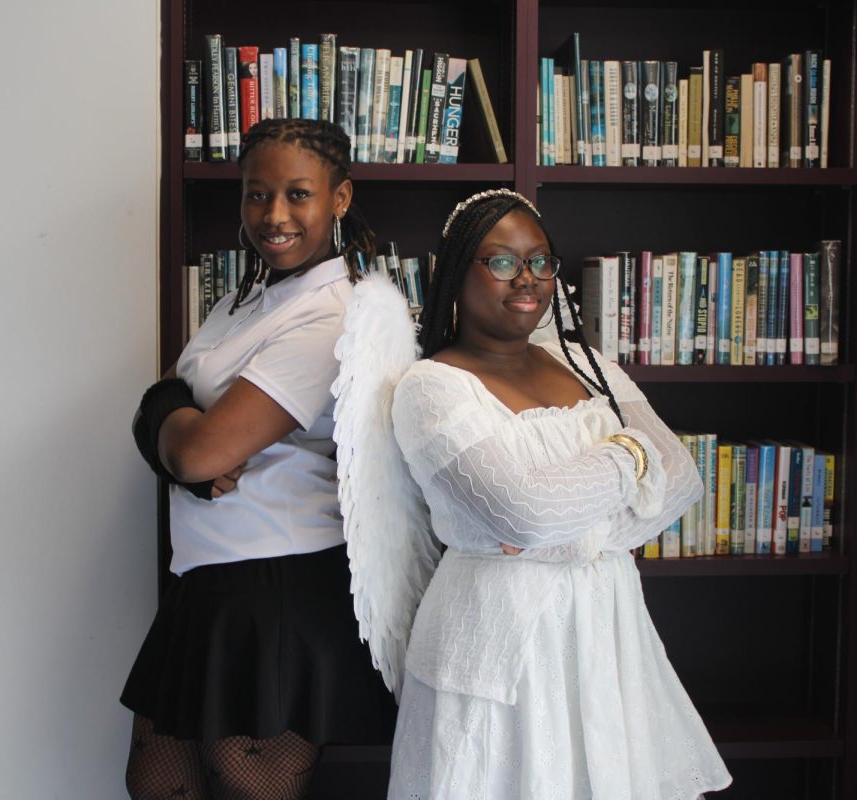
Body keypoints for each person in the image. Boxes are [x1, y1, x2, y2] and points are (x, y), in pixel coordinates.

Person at [333, 188, 732, 799]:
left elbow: (682, 478)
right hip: (498, 646)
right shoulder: (431, 388)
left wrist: (566, 530)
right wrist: (630, 454)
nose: (528, 279)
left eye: (542, 261)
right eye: (502, 261)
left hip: (605, 636)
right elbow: (526, 513)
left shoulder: (585, 360)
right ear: (457, 269)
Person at [121, 118, 398, 800]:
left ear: (339, 198)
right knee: (159, 784)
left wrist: (171, 431)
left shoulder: (331, 316)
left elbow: (201, 451)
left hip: (277, 583)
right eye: (256, 195)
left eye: (297, 195)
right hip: (210, 578)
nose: (272, 216)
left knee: (251, 789)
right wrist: (166, 418)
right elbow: (175, 412)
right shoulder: (245, 301)